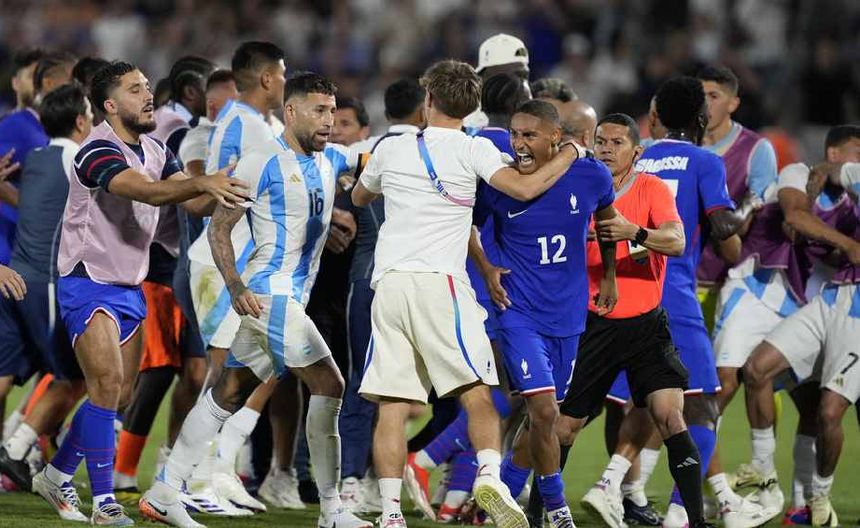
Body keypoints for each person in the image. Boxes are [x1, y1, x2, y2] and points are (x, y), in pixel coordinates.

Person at [352, 59, 583, 528]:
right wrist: (571, 153)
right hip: (441, 284)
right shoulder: (473, 148)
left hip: (389, 284)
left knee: (392, 405)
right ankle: (490, 477)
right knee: (479, 393)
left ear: (428, 100)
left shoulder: (390, 148)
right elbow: (524, 189)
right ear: (472, 105)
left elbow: (359, 197)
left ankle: (391, 513)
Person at [140, 71, 371, 528]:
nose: (329, 121)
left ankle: (165, 490)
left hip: (291, 298)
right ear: (291, 111)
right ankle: (332, 510)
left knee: (228, 391)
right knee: (330, 384)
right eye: (319, 111)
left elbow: (374, 155)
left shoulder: (332, 157)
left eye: (332, 111)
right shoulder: (261, 161)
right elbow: (220, 228)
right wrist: (235, 286)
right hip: (269, 295)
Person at [29, 60, 247, 525]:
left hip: (130, 284)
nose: (148, 95)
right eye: (134, 89)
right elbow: (145, 193)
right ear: (110, 105)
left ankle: (56, 474)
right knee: (107, 385)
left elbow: (191, 201)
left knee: (118, 394)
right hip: (87, 281)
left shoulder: (155, 149)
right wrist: (201, 180)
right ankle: (104, 502)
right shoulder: (96, 150)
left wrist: (232, 187)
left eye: (147, 86)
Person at [470, 100, 618, 528]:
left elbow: (608, 223)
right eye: (514, 134)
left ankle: (498, 500)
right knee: (545, 411)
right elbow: (465, 225)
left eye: (528, 135)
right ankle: (557, 509)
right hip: (517, 311)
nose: (518, 144)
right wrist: (486, 268)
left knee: (543, 421)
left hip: (568, 316)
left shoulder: (591, 175)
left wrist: (609, 276)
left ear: (555, 137)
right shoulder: (499, 182)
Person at [180, 42, 299, 512]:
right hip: (221, 263)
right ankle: (193, 479)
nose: (285, 81)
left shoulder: (250, 122)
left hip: (241, 261)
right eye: (283, 74)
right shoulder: (247, 125)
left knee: (251, 370)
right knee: (223, 376)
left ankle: (218, 470)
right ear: (268, 78)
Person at [112, 56, 221, 509]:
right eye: (215, 87)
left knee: (193, 372)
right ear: (193, 92)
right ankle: (122, 469)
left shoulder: (177, 130)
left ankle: (170, 467)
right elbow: (173, 192)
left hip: (183, 262)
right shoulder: (174, 128)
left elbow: (191, 199)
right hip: (159, 263)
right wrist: (212, 183)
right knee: (157, 371)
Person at [742, 130, 860, 528]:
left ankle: (819, 500)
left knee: (829, 412)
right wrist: (826, 170)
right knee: (756, 369)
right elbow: (826, 179)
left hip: (858, 314)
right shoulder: (838, 177)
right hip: (828, 298)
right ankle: (764, 472)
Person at [0, 85, 93, 492]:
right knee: (76, 377)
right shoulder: (80, 162)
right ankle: (17, 449)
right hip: (47, 282)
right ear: (80, 121)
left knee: (4, 374)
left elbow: (31, 206)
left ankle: (18, 445)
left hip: (14, 279)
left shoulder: (36, 157)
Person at [339, 78, 426, 515]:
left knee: (362, 379)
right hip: (414, 280)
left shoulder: (360, 152)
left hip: (366, 277)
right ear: (424, 108)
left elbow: (336, 188)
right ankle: (371, 479)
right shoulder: (433, 149)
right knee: (396, 386)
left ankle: (354, 480)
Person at [0, 49, 47, 265]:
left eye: (42, 77)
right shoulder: (17, 126)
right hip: (12, 249)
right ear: (15, 83)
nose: (38, 83)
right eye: (31, 76)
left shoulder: (40, 125)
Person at [464, 34, 530, 130]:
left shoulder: (533, 117)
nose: (521, 84)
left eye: (524, 76)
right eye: (515, 76)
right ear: (485, 77)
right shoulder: (465, 123)